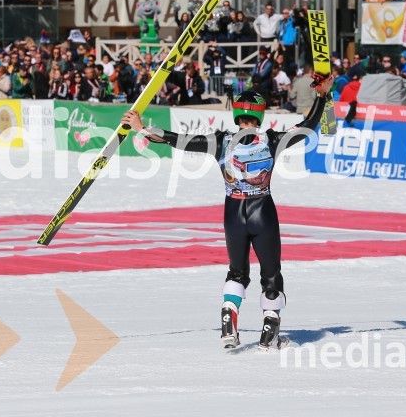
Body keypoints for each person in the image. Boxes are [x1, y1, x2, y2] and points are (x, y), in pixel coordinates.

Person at [120, 76, 334, 350]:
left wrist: (141, 128)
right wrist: (321, 96)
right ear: (260, 113)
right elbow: (308, 126)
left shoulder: (220, 141)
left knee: (237, 272)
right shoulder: (271, 140)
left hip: (233, 213)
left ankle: (228, 314)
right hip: (263, 210)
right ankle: (270, 332)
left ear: (236, 113)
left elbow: (179, 140)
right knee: (271, 274)